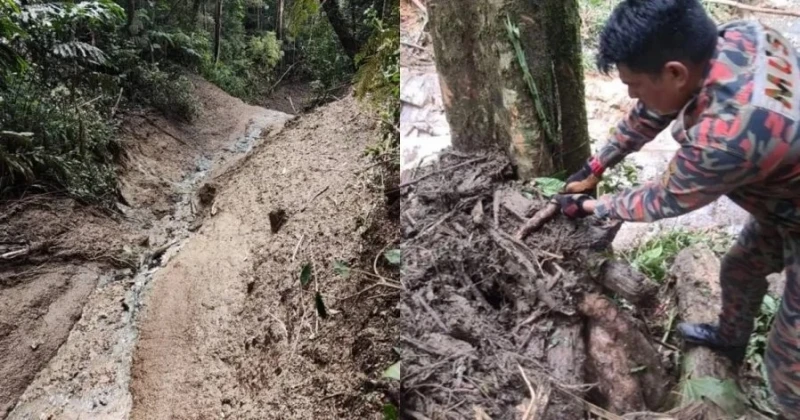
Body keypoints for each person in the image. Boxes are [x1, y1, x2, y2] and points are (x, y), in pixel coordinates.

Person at [555, 0, 800, 416]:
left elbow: (662, 198)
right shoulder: (741, 37)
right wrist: (597, 165)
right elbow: (653, 108)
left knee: (788, 364)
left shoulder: (728, 134)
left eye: (634, 83)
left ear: (674, 72)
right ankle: (729, 341)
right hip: (786, 206)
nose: (631, 93)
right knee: (739, 268)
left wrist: (589, 206)